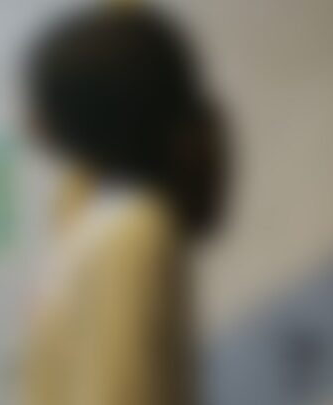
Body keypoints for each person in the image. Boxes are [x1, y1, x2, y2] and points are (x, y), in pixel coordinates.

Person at [20, 4, 226, 405]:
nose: (26, 120)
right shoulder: (101, 218)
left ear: (87, 113)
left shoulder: (129, 232)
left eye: (39, 102)